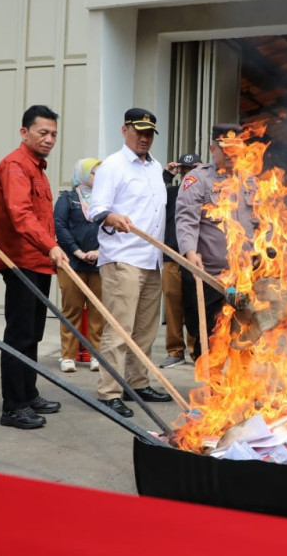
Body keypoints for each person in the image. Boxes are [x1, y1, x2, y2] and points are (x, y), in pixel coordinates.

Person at [87, 108, 172, 417]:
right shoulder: (112, 166)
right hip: (122, 258)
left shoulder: (155, 168)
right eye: (139, 132)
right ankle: (108, 391)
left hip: (152, 259)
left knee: (145, 330)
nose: (145, 138)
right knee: (119, 328)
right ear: (125, 131)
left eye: (149, 133)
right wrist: (111, 216)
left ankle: (136, 383)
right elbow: (96, 208)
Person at [0, 104, 66, 430]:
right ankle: (13, 405)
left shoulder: (38, 168)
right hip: (21, 262)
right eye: (43, 133)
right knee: (19, 335)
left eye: (53, 134)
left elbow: (43, 219)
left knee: (33, 334)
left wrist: (52, 250)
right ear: (24, 132)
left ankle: (29, 392)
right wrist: (51, 246)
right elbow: (21, 215)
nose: (49, 139)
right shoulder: (16, 166)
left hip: (40, 262)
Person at [176, 124, 257, 358]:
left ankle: (238, 389)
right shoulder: (197, 179)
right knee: (212, 338)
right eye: (225, 149)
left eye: (235, 149)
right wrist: (189, 252)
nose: (231, 154)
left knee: (244, 337)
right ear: (213, 148)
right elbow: (186, 220)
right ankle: (211, 388)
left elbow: (263, 224)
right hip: (210, 277)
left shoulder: (251, 181)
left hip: (243, 276)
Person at [54, 158, 103, 373]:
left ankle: (96, 355)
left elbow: (111, 229)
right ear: (83, 175)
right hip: (72, 262)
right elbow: (59, 225)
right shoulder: (68, 198)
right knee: (71, 309)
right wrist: (77, 251)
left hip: (100, 263)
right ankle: (67, 356)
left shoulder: (105, 200)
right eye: (94, 173)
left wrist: (100, 251)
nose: (98, 178)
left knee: (98, 312)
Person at [159, 152, 200, 368]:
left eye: (192, 170)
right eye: (184, 171)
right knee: (173, 305)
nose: (188, 175)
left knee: (195, 305)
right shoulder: (170, 193)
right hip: (171, 256)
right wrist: (166, 175)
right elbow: (151, 196)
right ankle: (175, 351)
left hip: (195, 258)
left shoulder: (205, 193)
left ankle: (197, 352)